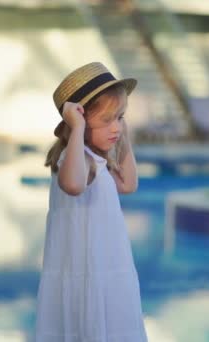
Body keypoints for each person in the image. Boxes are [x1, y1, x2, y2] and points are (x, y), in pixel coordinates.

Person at [35, 62, 148, 341]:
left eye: (120, 117)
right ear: (79, 122)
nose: (116, 128)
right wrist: (76, 130)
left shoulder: (97, 157)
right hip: (87, 274)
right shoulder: (77, 160)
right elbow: (73, 184)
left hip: (106, 269)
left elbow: (129, 184)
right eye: (107, 120)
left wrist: (122, 131)